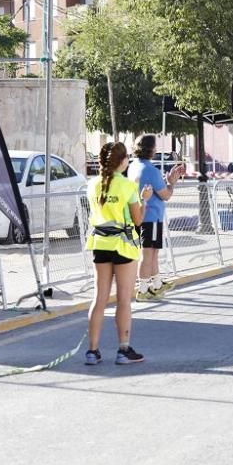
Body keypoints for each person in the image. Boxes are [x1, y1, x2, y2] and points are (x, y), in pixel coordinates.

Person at [84, 142, 153, 366]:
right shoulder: (127, 186)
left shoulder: (93, 184)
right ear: (122, 162)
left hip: (100, 243)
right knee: (124, 299)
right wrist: (144, 199)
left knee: (99, 298)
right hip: (123, 246)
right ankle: (123, 349)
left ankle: (92, 351)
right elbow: (138, 220)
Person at [129, 135, 185, 300]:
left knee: (152, 253)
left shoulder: (134, 166)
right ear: (151, 149)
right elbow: (166, 195)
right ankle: (143, 289)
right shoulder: (151, 171)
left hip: (141, 215)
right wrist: (171, 182)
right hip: (152, 217)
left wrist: (166, 181)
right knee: (148, 254)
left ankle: (157, 284)